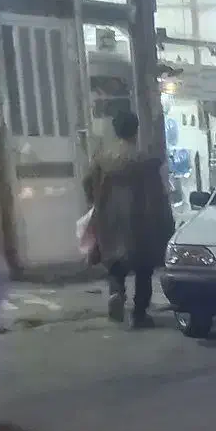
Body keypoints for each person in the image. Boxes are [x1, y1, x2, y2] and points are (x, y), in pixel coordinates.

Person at [85, 110, 175, 328]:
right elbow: (158, 194)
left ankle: (116, 293)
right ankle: (139, 314)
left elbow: (88, 183)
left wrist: (96, 203)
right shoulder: (145, 160)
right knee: (144, 269)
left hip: (109, 219)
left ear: (116, 131)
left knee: (115, 264)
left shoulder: (101, 159)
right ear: (136, 130)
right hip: (140, 220)